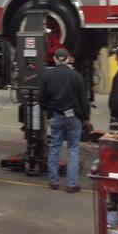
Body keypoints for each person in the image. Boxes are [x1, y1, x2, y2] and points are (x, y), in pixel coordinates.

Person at [39, 48, 89, 193]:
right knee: (73, 149)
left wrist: (48, 113)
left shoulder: (48, 75)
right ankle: (71, 184)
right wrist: (85, 117)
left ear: (54, 59)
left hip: (56, 116)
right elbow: (83, 100)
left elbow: (42, 98)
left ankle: (53, 182)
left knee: (54, 148)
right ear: (68, 59)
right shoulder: (76, 76)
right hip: (73, 117)